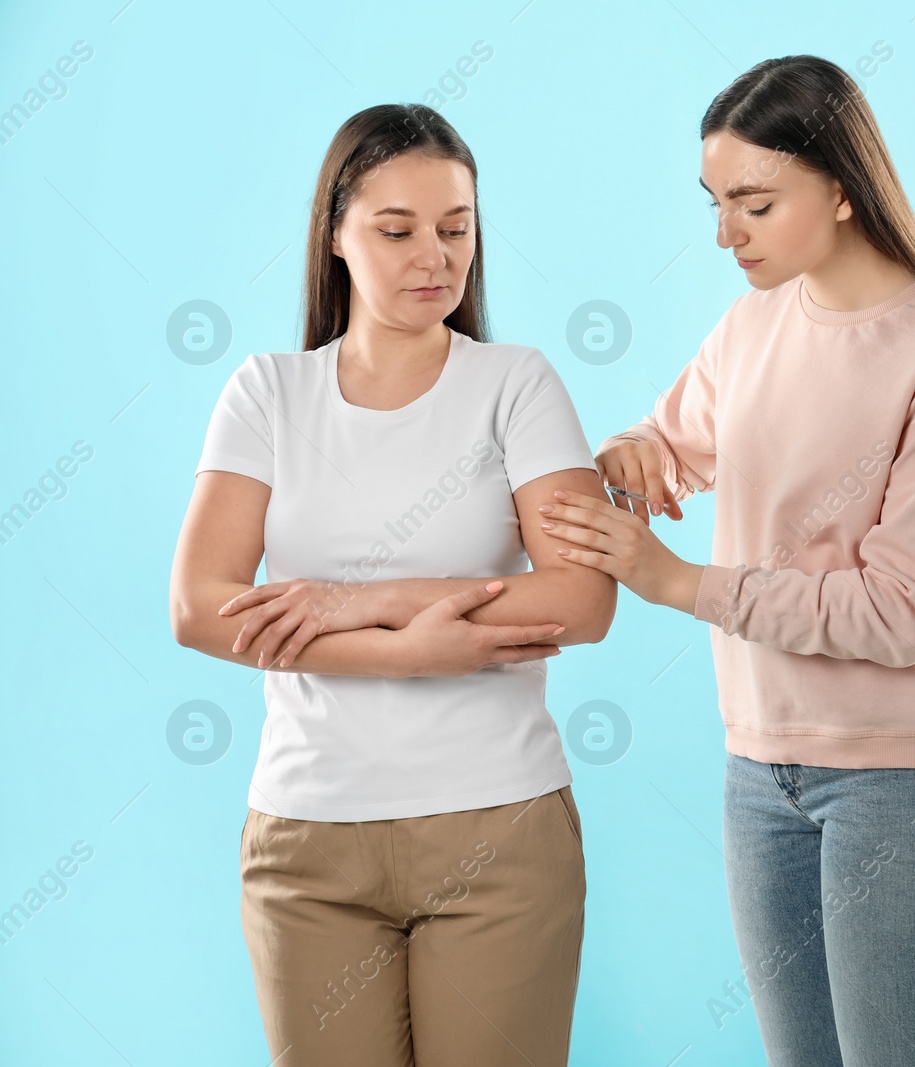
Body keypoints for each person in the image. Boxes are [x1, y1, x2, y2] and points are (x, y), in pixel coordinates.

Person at [538, 55, 915, 1067]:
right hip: (761, 768)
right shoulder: (752, 323)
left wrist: (679, 584)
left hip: (904, 780)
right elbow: (678, 436)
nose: (724, 232)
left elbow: (904, 612)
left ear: (841, 188)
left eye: (753, 202)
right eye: (714, 203)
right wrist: (638, 450)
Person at [168, 103, 615, 1067]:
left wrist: (356, 600)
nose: (436, 256)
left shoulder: (516, 382)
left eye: (457, 228)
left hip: (499, 832)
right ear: (335, 233)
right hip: (307, 843)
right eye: (397, 228)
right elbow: (200, 607)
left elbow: (582, 599)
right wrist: (408, 655)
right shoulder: (267, 392)